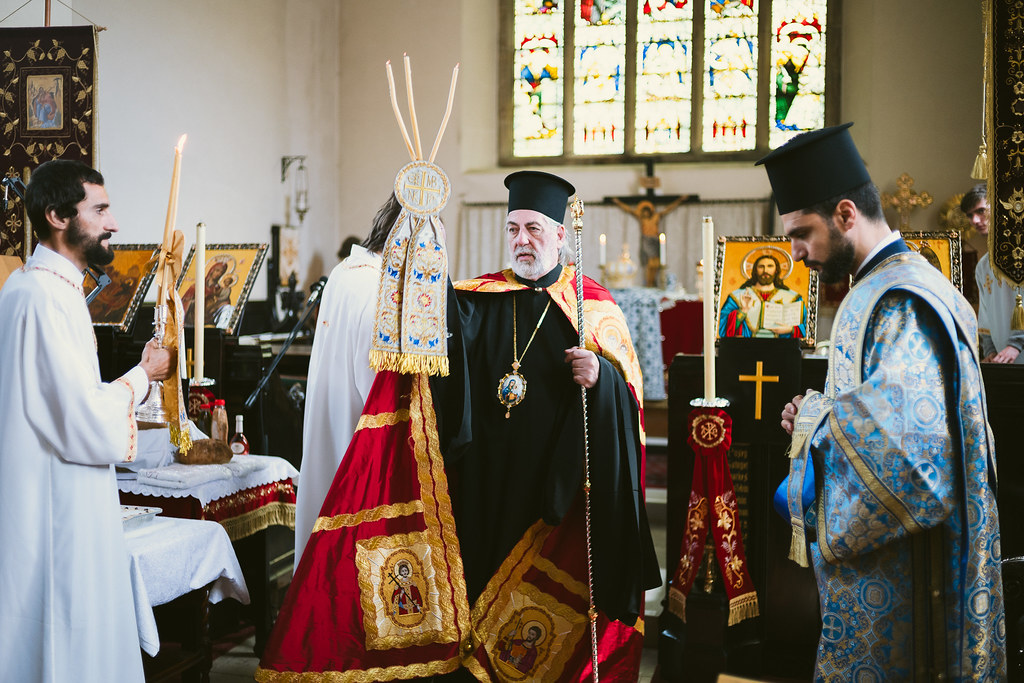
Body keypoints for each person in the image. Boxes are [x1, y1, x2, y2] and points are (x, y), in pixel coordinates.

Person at [257, 171, 660, 682]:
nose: (521, 240)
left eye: (534, 229)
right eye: (513, 229)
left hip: (548, 496)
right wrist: (424, 257)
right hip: (482, 487)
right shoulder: (476, 299)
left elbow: (628, 410)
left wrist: (601, 378)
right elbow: (436, 363)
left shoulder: (593, 308)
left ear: (560, 235)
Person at [762, 124, 1004, 679]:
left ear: (846, 214)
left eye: (802, 234)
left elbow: (912, 455)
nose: (795, 254)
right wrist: (819, 415)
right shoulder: (896, 283)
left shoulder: (898, 298)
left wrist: (816, 422)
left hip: (907, 575)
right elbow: (882, 406)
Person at [0, 159, 175, 682]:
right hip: (55, 500)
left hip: (45, 490)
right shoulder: (43, 297)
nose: (112, 223)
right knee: (64, 637)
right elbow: (81, 418)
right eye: (99, 210)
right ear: (57, 216)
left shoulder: (37, 287)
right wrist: (144, 375)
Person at [293, 193, 399, 565]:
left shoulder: (345, 271)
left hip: (330, 428)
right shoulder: (378, 288)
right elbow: (377, 389)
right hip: (358, 442)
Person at [964, 183, 1024, 363]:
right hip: (1005, 362)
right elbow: (985, 313)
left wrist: (1016, 344)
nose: (975, 220)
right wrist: (989, 350)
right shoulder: (983, 266)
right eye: (970, 215)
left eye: (981, 211)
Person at [718, 251, 806, 338]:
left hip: (783, 346)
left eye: (770, 266)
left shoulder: (793, 297)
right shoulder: (737, 296)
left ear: (776, 270)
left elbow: (806, 327)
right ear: (755, 270)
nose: (765, 270)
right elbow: (722, 328)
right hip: (746, 346)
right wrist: (743, 311)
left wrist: (791, 329)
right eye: (761, 267)